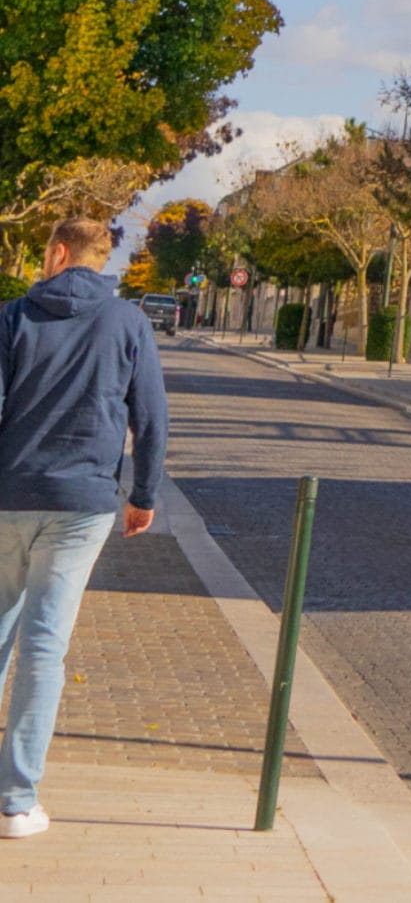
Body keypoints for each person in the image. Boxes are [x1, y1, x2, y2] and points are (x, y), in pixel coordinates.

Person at [0, 216, 167, 839]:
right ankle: (16, 801)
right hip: (83, 503)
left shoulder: (13, 317)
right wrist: (144, 494)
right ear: (100, 261)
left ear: (59, 251)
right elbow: (149, 417)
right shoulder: (129, 323)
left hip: (8, 493)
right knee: (45, 647)